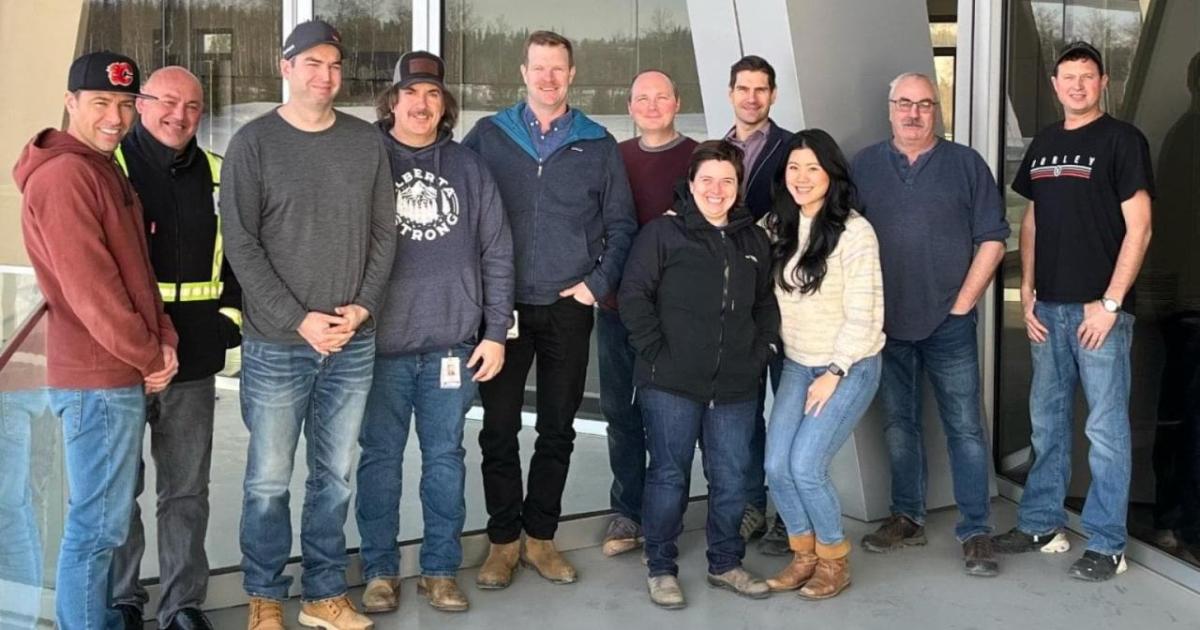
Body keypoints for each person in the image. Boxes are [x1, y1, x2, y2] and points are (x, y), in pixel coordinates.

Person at [220, 20, 396, 629]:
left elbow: (383, 233)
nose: (326, 75)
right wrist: (300, 321)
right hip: (276, 344)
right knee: (268, 479)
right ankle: (265, 596)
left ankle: (323, 595)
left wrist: (363, 307)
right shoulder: (253, 144)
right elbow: (241, 245)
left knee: (336, 476)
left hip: (352, 340)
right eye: (313, 63)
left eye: (334, 65)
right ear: (286, 66)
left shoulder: (364, 141)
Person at [462, 30, 636, 588]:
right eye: (539, 68)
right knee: (499, 430)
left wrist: (594, 284)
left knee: (557, 430)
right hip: (502, 309)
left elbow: (622, 224)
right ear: (524, 71)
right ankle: (502, 543)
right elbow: (456, 214)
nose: (548, 78)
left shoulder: (597, 143)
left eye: (557, 69)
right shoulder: (488, 137)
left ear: (571, 74)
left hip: (567, 307)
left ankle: (541, 538)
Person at [13, 50, 179, 628]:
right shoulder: (66, 176)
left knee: (101, 525)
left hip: (113, 374)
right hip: (97, 379)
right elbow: (93, 292)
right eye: (101, 103)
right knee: (96, 528)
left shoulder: (100, 167)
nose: (116, 117)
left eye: (126, 104)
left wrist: (161, 339)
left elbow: (136, 271)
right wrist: (149, 354)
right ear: (70, 102)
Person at [354, 51, 514, 614]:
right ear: (392, 100)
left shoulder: (469, 168)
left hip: (451, 345)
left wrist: (495, 331)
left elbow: (497, 250)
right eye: (411, 93)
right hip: (378, 348)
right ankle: (379, 571)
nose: (422, 104)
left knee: (445, 459)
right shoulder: (365, 157)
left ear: (444, 104)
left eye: (433, 94)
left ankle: (440, 569)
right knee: (379, 460)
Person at [992, 41, 1154, 582]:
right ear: (1056, 83)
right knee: (1047, 422)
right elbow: (1033, 220)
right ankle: (1040, 521)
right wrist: (1029, 287)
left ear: (1103, 82)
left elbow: (1141, 227)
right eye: (1068, 77)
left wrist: (1110, 304)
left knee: (1105, 432)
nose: (1077, 86)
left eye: (1087, 77)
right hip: (1049, 310)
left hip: (1099, 314)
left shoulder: (1122, 141)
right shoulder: (1045, 143)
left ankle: (1108, 543)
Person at [852, 72, 1009, 577]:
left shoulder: (966, 165)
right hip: (887, 325)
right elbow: (845, 241)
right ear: (890, 107)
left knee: (964, 427)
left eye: (924, 104)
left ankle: (977, 530)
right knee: (899, 426)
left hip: (950, 322)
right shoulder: (865, 166)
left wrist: (963, 304)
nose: (913, 113)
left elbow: (993, 238)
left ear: (936, 109)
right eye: (904, 103)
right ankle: (907, 518)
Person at [107, 66, 242, 630]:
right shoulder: (107, 170)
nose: (178, 116)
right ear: (141, 105)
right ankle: (120, 600)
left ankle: (181, 604)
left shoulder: (216, 175)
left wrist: (227, 323)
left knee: (185, 491)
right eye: (166, 102)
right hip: (118, 360)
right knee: (117, 491)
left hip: (191, 361)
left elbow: (239, 257)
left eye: (191, 106)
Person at [620, 140, 780, 609]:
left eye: (727, 180)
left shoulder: (753, 240)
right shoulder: (662, 236)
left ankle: (725, 563)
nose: (717, 189)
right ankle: (661, 567)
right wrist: (656, 352)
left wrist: (762, 351)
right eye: (707, 180)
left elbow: (766, 304)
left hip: (735, 385)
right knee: (669, 476)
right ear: (690, 185)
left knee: (731, 478)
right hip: (669, 384)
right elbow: (633, 297)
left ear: (738, 186)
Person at [762, 129, 884, 600]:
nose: (802, 177)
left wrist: (833, 374)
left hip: (849, 365)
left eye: (813, 167)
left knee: (806, 464)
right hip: (798, 363)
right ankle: (803, 555)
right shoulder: (776, 224)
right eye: (794, 167)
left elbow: (866, 315)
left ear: (832, 175)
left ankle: (834, 561)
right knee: (776, 465)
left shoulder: (855, 232)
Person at [599, 69, 698, 557]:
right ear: (630, 105)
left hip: (677, 314)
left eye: (662, 96)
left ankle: (666, 512)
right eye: (643, 97)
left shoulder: (699, 158)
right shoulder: (613, 158)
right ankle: (627, 512)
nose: (652, 105)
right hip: (617, 307)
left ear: (677, 102)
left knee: (670, 418)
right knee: (621, 411)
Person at [723, 55, 793, 550]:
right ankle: (752, 505)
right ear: (731, 93)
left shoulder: (792, 150)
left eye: (761, 89)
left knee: (789, 406)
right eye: (743, 89)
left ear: (773, 95)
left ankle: (791, 514)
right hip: (734, 302)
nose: (752, 98)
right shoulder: (712, 152)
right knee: (744, 408)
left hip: (788, 299)